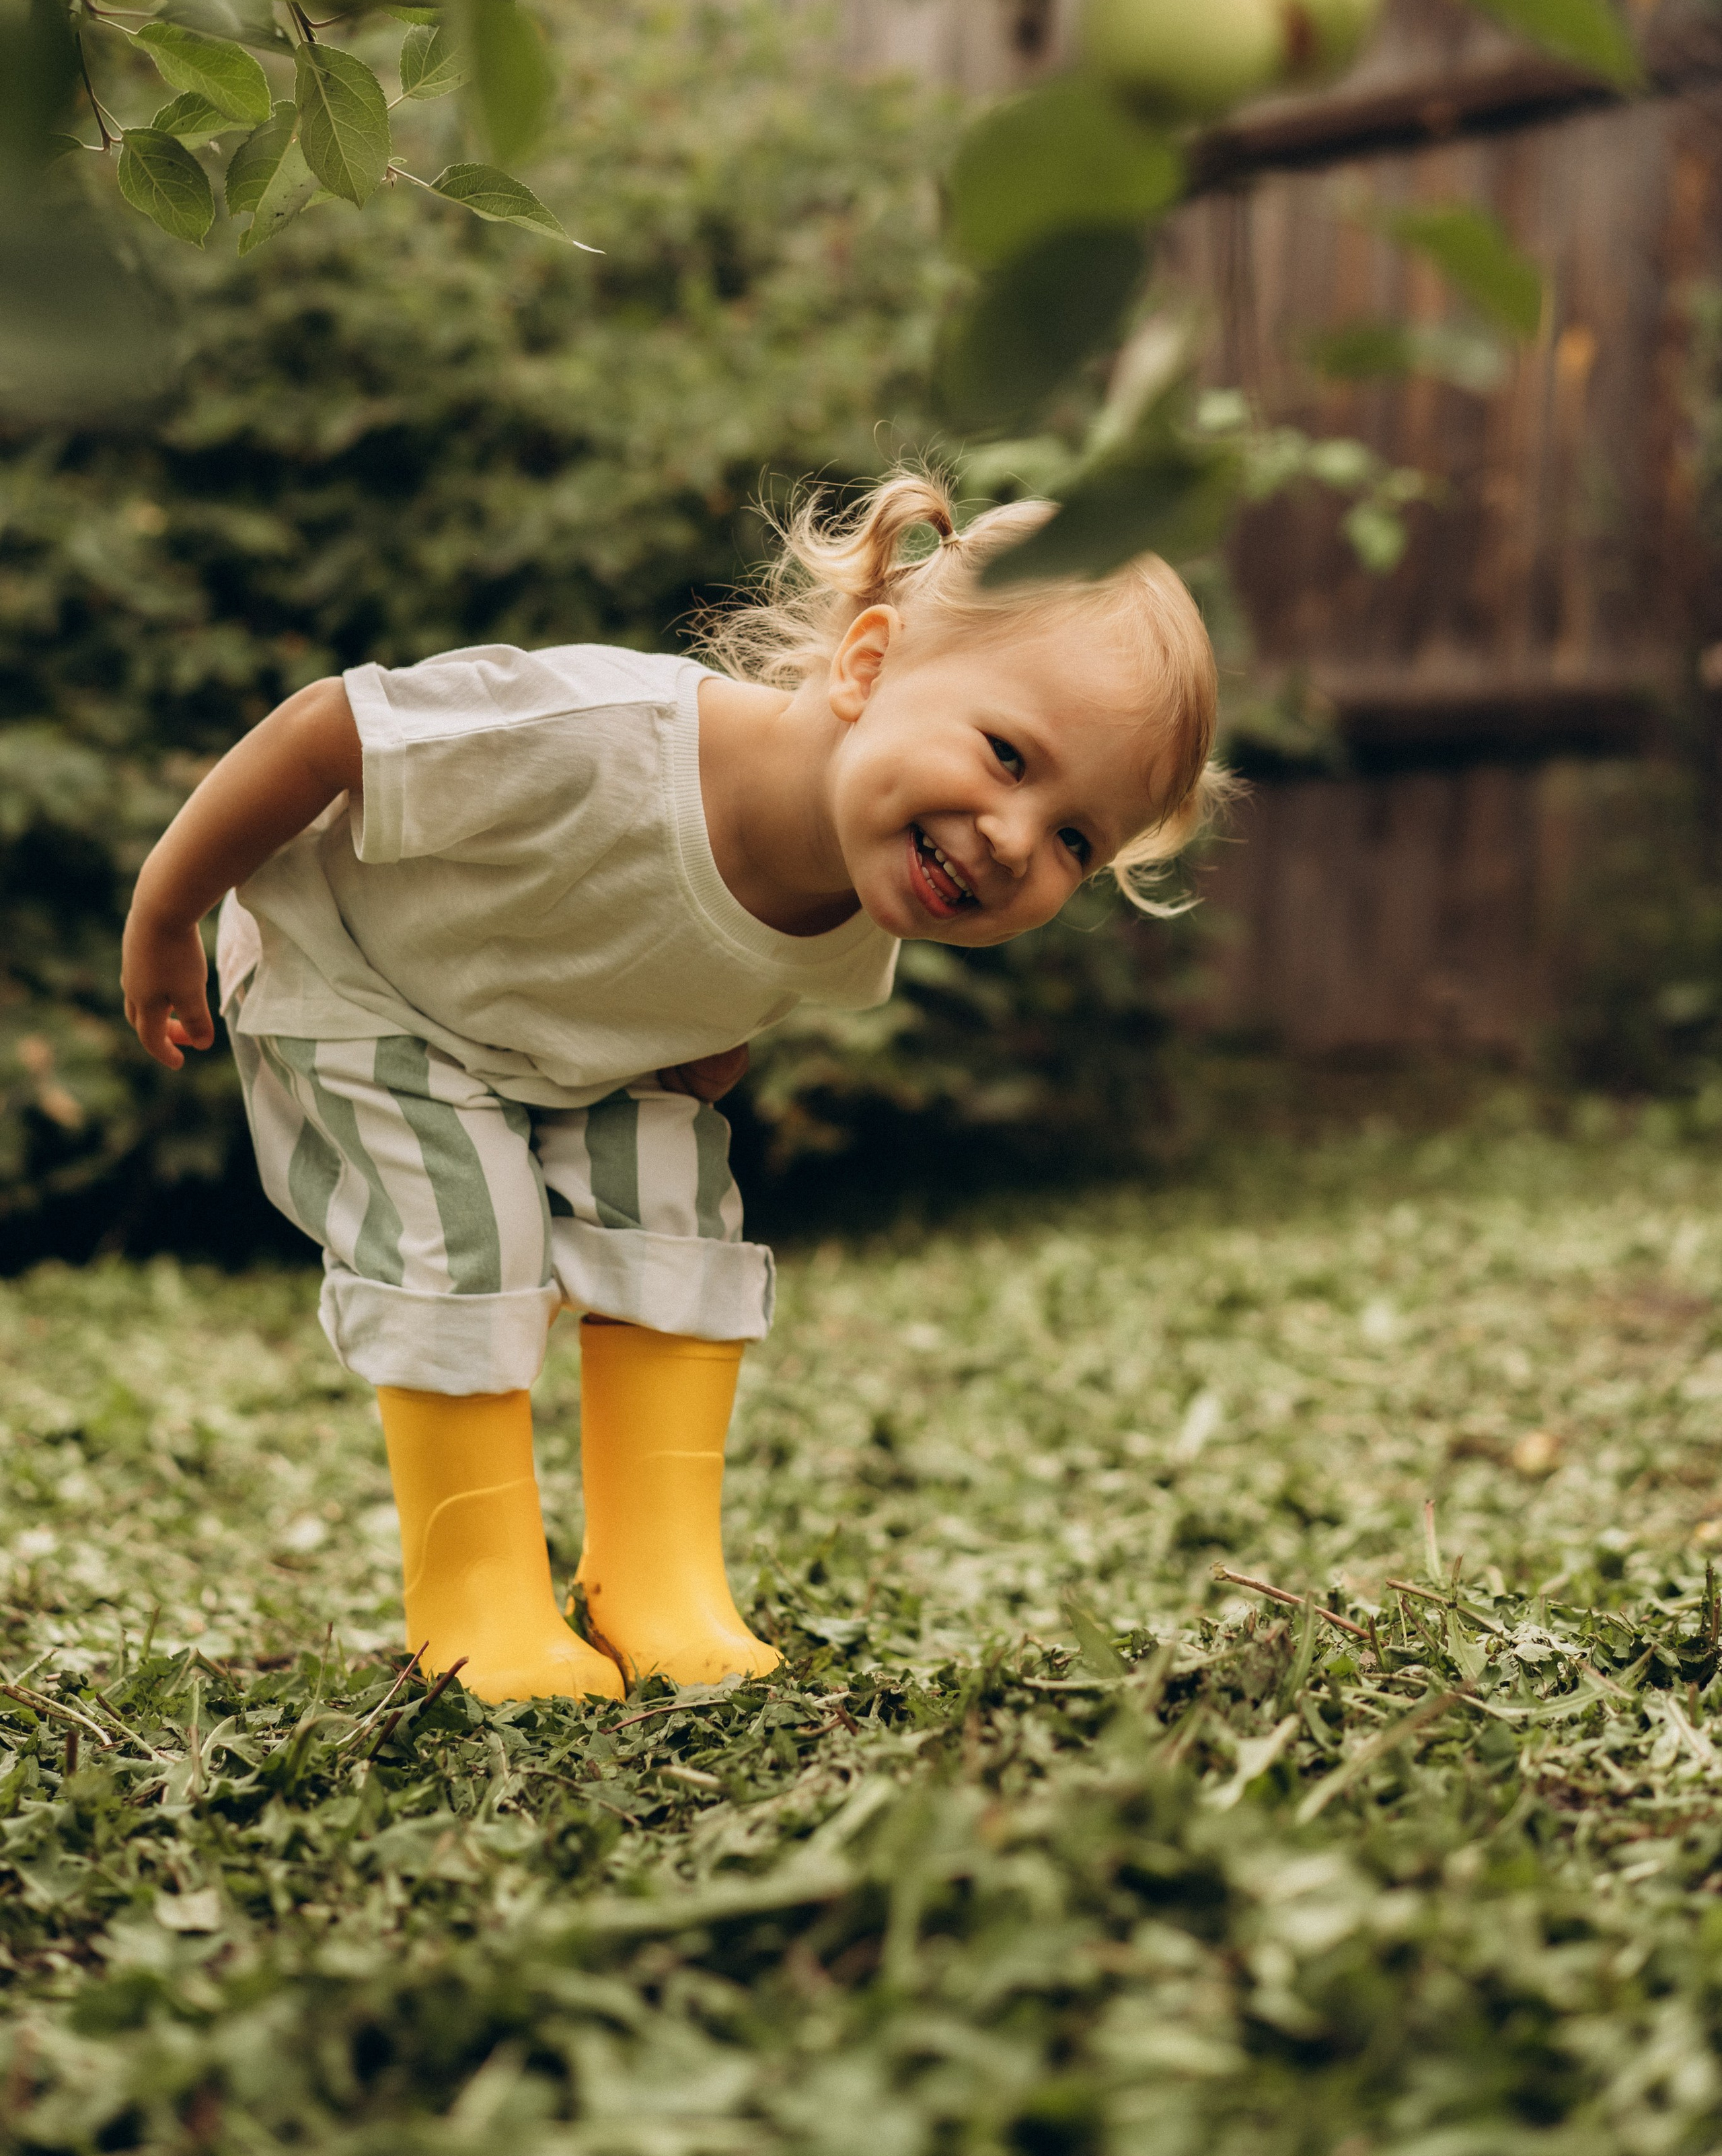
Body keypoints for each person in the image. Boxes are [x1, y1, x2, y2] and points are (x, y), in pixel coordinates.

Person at [120, 474, 1225, 1706]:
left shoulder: (871, 899)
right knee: (467, 1231)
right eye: (1010, 756)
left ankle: (653, 1581)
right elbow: (330, 730)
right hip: (361, 976)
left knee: (681, 1206)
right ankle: (476, 1595)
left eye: (1077, 838)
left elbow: (716, 975)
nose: (1019, 840)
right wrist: (169, 905)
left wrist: (709, 1053)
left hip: (569, 1041)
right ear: (866, 666)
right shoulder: (592, 734)